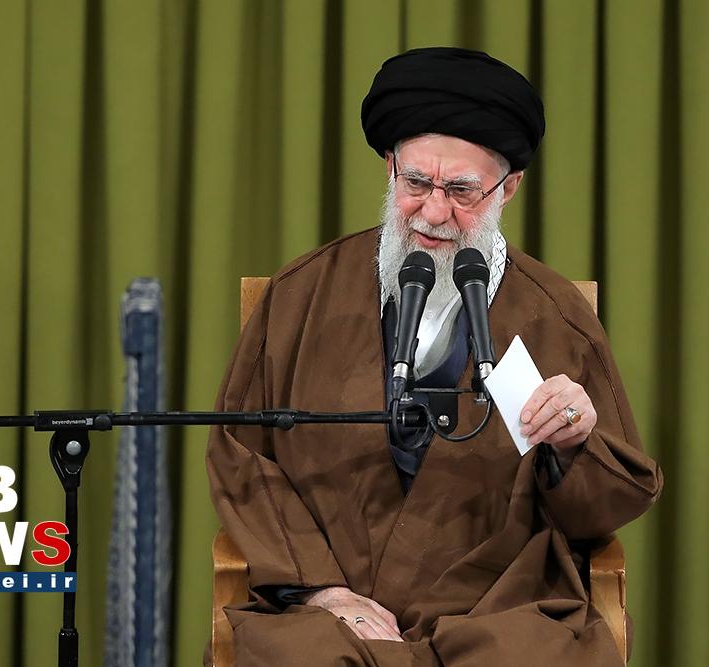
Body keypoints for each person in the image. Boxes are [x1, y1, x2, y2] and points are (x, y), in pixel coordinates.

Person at [205, 47, 662, 666]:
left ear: (509, 187)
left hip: (499, 610)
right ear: (390, 167)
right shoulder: (301, 294)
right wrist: (322, 590)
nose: (435, 212)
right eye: (416, 183)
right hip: (330, 612)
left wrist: (572, 445)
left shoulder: (556, 317)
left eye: (462, 190)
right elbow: (241, 455)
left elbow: (603, 510)